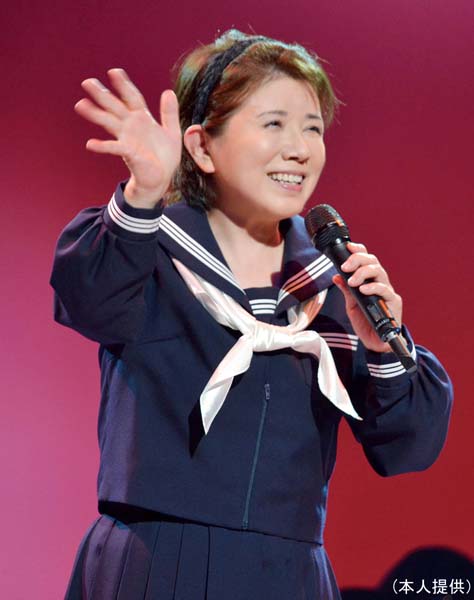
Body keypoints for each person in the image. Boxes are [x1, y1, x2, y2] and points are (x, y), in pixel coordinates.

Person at [51, 29, 453, 600]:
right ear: (201, 147)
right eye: (274, 124)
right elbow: (86, 298)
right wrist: (143, 194)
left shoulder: (333, 290)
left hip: (288, 574)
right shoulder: (150, 252)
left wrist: (385, 346)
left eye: (312, 128)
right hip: (157, 563)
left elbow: (407, 448)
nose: (300, 149)